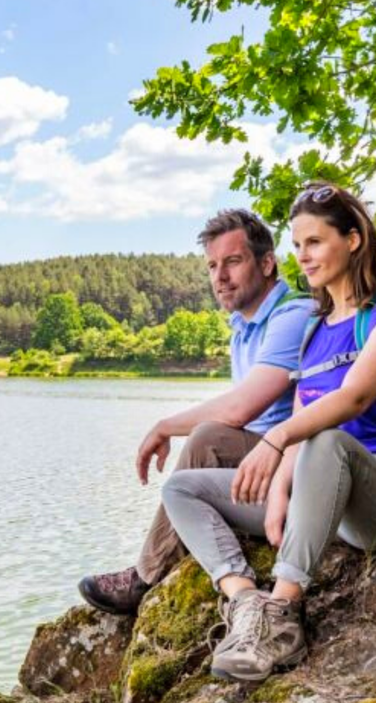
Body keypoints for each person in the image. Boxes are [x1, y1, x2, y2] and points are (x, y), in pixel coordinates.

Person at [160, 183, 376, 683]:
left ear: (353, 241)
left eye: (314, 242)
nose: (302, 257)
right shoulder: (316, 330)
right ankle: (245, 601)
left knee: (326, 440)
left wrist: (275, 438)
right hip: (325, 493)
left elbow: (351, 400)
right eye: (297, 244)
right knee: (183, 487)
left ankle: (282, 617)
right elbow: (306, 411)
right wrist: (281, 488)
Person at [78, 209, 315, 614]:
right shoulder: (244, 328)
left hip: (293, 463)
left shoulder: (293, 315)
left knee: (206, 437)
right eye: (212, 266)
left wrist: (165, 426)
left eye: (233, 262)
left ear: (267, 262)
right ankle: (153, 567)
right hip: (259, 460)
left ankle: (147, 576)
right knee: (207, 436)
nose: (220, 276)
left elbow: (241, 409)